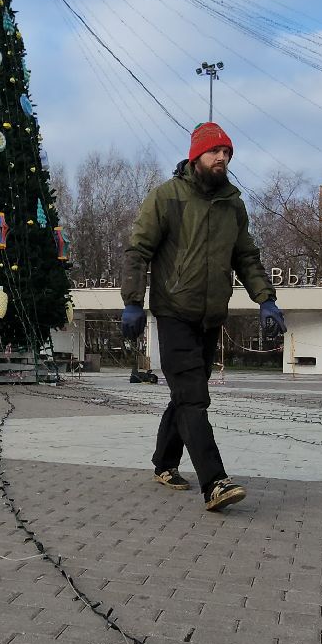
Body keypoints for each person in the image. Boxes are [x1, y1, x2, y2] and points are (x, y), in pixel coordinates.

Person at [123, 122, 284, 511]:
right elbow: (137, 251)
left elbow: (246, 256)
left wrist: (265, 298)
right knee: (195, 396)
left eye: (227, 153)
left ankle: (164, 463)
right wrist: (132, 301)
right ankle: (214, 482)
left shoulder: (234, 204)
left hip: (211, 316)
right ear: (196, 155)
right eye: (215, 152)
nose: (222, 158)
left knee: (186, 396)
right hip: (175, 310)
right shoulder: (166, 197)